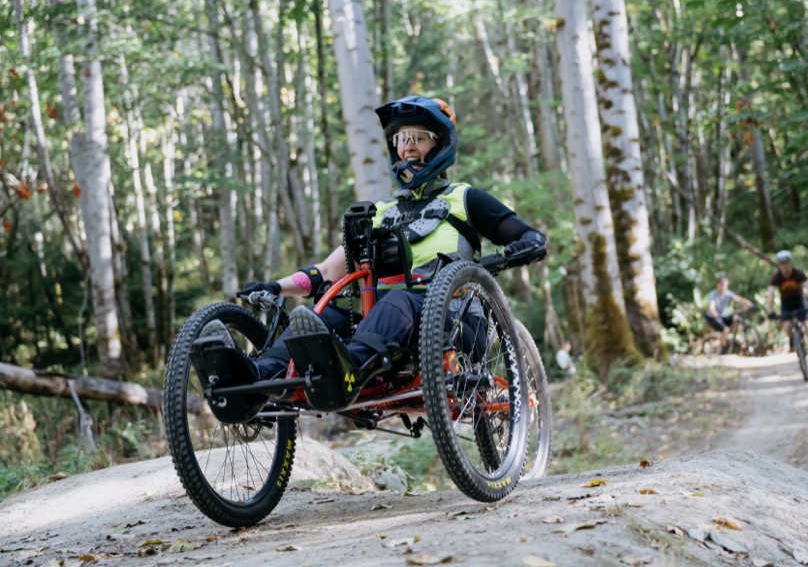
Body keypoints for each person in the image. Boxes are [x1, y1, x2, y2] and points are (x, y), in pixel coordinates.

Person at [193, 96, 547, 408]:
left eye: (417, 138)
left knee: (396, 301)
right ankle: (252, 382)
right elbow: (326, 273)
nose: (407, 147)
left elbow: (523, 233)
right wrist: (276, 287)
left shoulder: (464, 199)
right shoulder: (380, 213)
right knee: (325, 317)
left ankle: (348, 371)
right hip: (388, 329)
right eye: (401, 139)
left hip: (454, 322)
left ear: (440, 145)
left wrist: (528, 244)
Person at [765, 250, 808, 355]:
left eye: (786, 263)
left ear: (790, 263)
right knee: (787, 325)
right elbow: (770, 295)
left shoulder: (798, 273)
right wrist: (770, 311)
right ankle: (791, 341)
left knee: (806, 322)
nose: (784, 266)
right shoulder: (776, 277)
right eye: (781, 264)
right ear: (779, 265)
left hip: (799, 299)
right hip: (786, 302)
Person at [703, 276, 754, 352]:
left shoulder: (727, 293)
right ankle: (720, 345)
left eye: (725, 285)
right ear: (717, 285)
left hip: (722, 316)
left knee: (737, 319)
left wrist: (751, 305)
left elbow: (740, 299)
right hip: (712, 317)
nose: (723, 287)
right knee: (725, 329)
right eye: (721, 285)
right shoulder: (713, 295)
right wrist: (715, 315)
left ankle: (737, 339)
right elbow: (712, 308)